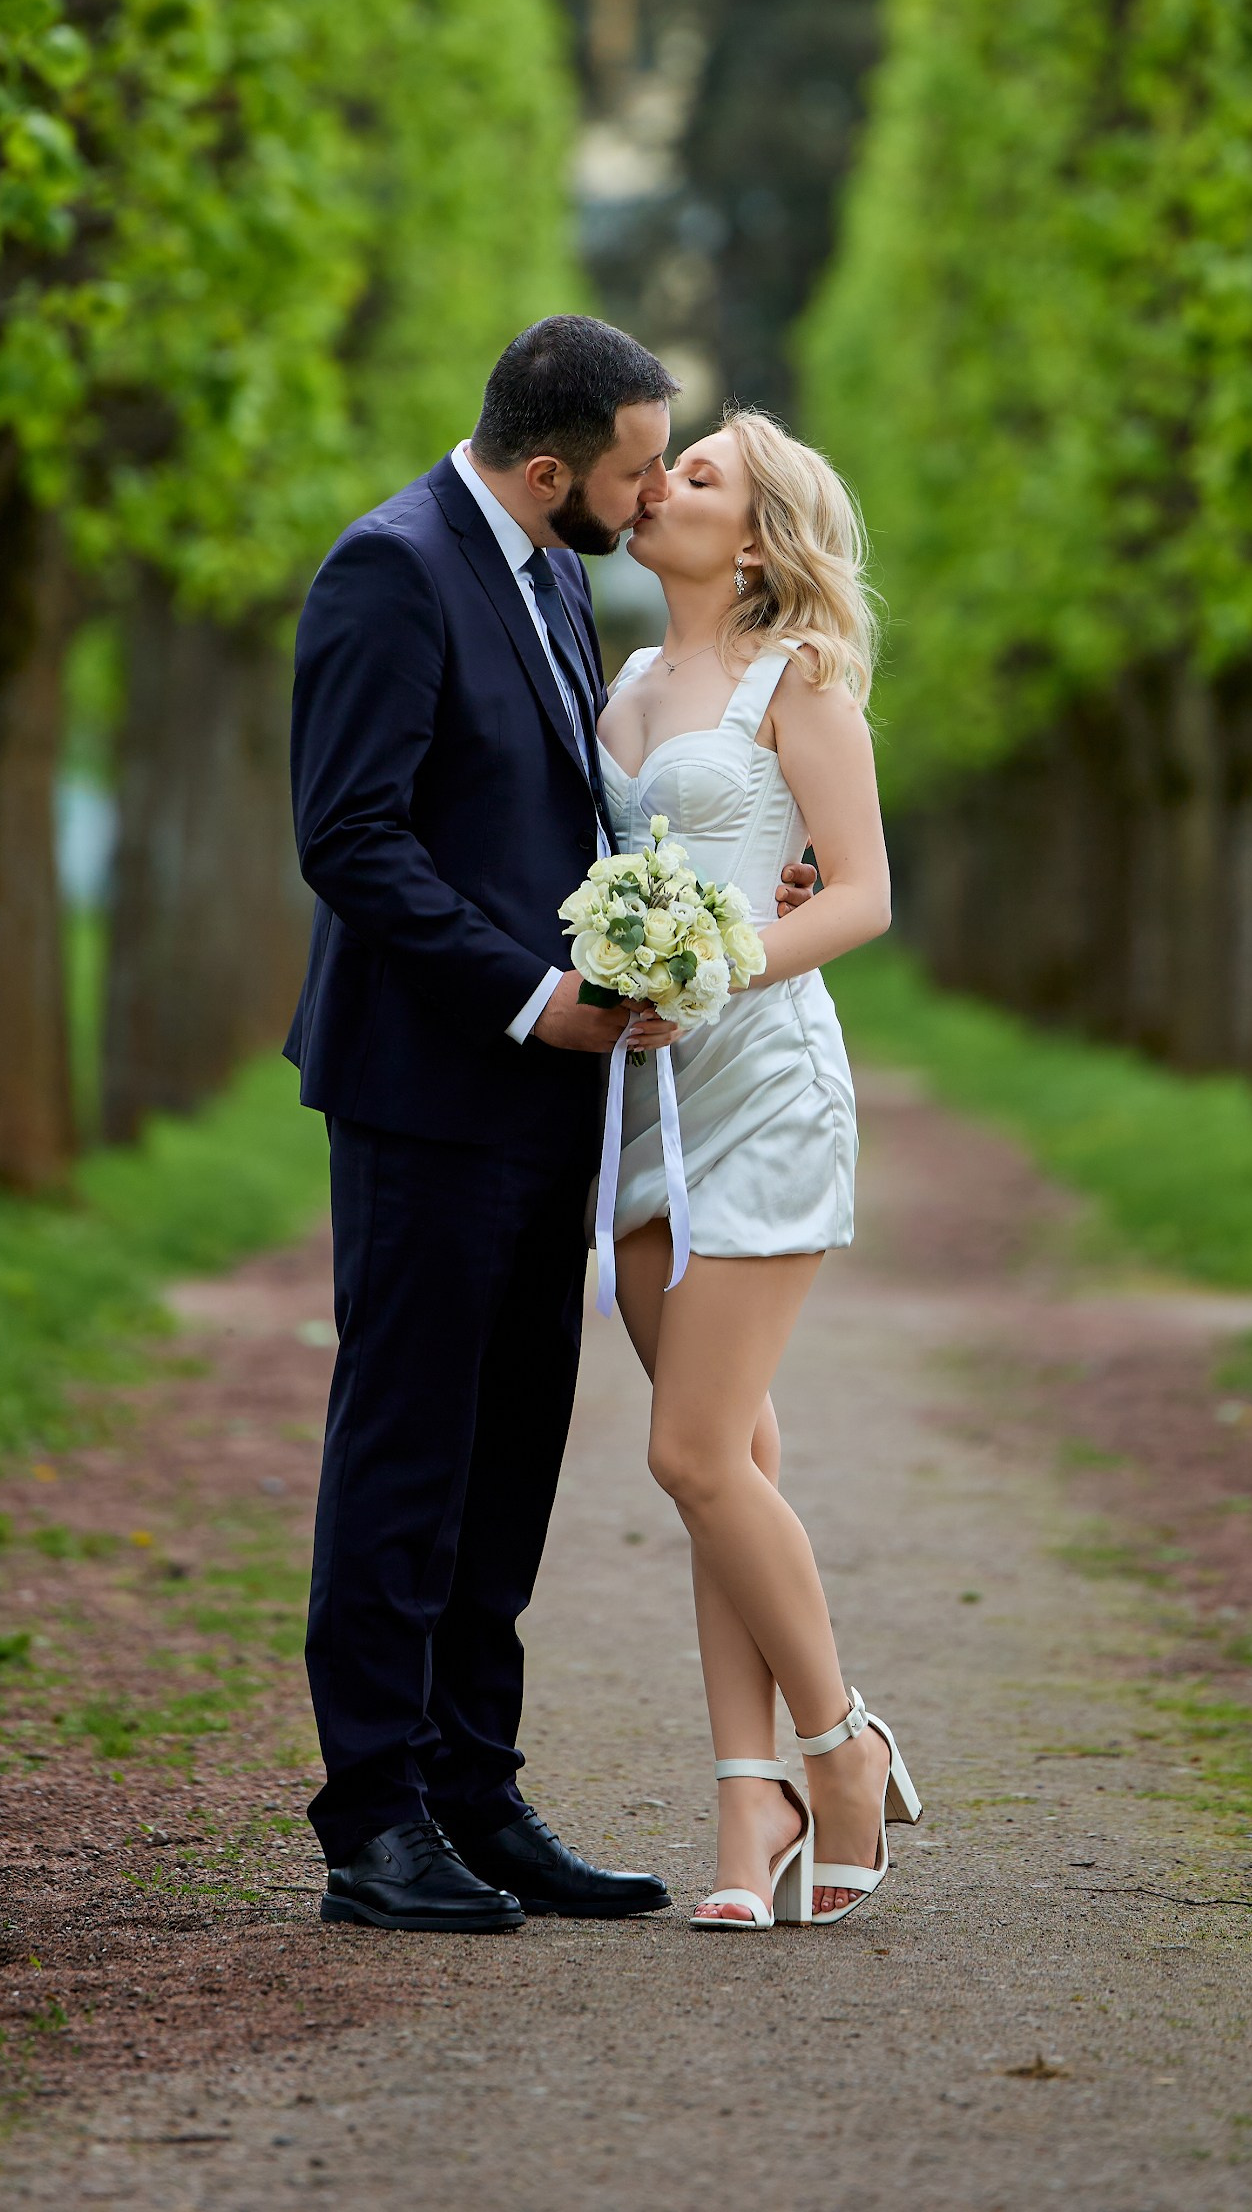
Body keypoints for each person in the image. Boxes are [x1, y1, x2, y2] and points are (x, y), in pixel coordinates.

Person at [286, 314, 814, 1932]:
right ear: (547, 467)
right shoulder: (390, 569)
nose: (651, 493)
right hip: (430, 1084)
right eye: (639, 467)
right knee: (406, 1448)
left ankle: (474, 1788)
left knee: (511, 1446)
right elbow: (352, 840)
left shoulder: (559, 575)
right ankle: (374, 1818)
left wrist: (742, 898)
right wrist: (529, 996)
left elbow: (581, 815)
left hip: (553, 1093)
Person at [598, 410, 921, 1928]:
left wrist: (712, 977)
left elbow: (856, 895)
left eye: (702, 474)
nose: (663, 485)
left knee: (692, 1454)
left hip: (763, 1080)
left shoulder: (804, 685)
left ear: (758, 536)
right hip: (643, 1099)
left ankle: (842, 1746)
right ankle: (750, 1817)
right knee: (725, 1470)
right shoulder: (625, 688)